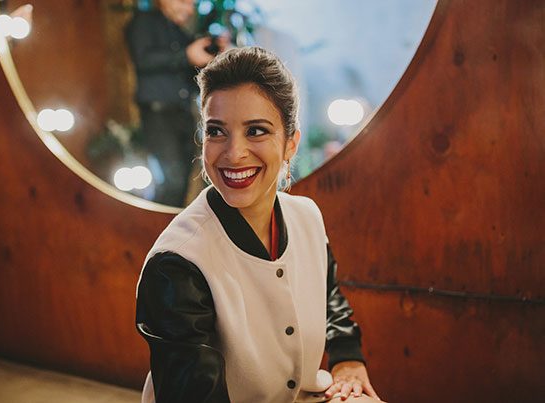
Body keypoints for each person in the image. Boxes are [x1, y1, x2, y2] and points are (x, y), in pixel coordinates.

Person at [136, 47, 382, 402]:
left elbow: (328, 297)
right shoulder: (176, 264)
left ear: (290, 144)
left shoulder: (307, 217)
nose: (234, 153)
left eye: (255, 131)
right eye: (216, 131)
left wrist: (347, 358)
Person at [125, 0, 227, 206]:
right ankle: (158, 224)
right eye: (184, 2)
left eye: (192, 5)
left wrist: (215, 55)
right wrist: (186, 55)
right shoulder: (143, 22)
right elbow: (143, 59)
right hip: (158, 115)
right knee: (172, 181)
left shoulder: (180, 33)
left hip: (183, 113)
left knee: (183, 182)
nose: (189, 10)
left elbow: (191, 74)